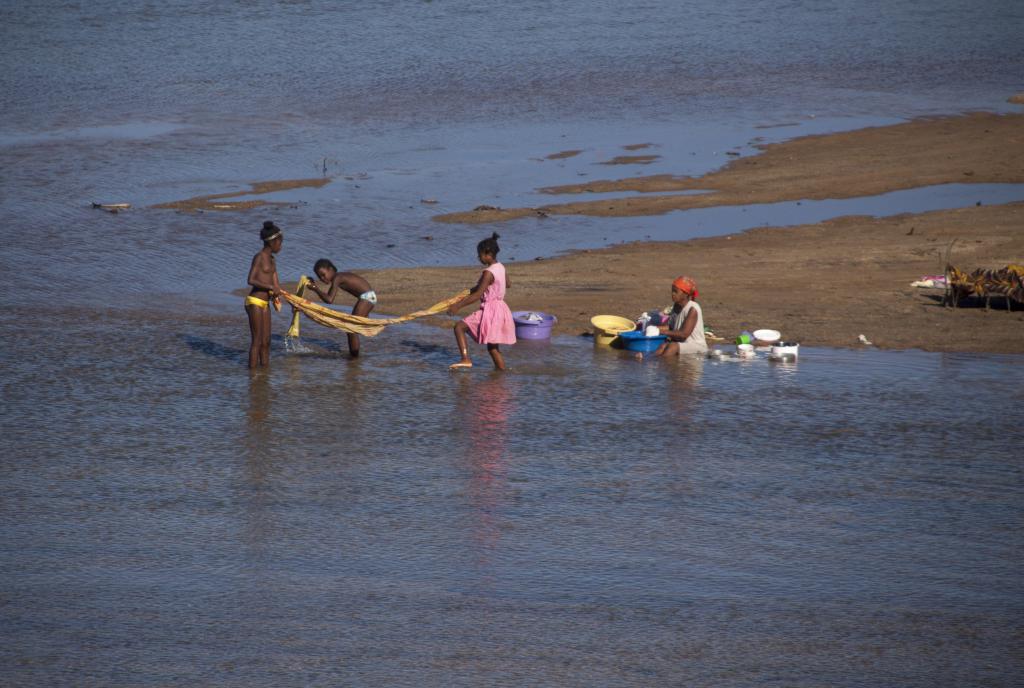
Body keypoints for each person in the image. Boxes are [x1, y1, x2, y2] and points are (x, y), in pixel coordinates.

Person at [447, 232, 516, 370]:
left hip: (491, 310)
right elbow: (508, 284)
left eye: (479, 255)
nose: (478, 258)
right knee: (492, 347)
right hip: (501, 309)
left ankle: (465, 359)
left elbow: (478, 294)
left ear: (487, 253)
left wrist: (457, 306)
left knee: (459, 327)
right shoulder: (501, 267)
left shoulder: (488, 272)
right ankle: (502, 373)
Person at [306, 258, 376, 357]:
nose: (322, 278)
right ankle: (355, 355)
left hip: (367, 298)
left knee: (350, 329)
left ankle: (354, 359)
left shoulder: (337, 278)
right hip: (367, 297)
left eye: (323, 274)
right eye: (319, 277)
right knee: (353, 328)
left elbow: (330, 300)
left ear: (331, 270)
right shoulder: (338, 277)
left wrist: (315, 289)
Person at [245, 221, 284, 369]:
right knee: (257, 341)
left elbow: (276, 284)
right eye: (279, 243)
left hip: (265, 304)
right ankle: (253, 376)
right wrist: (270, 287)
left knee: (266, 341)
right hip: (254, 301)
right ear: (272, 242)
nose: (280, 246)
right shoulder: (259, 257)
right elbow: (251, 280)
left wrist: (277, 296)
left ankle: (264, 374)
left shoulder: (273, 261)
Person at [654, 275, 707, 357]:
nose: (672, 294)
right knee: (663, 346)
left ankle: (665, 366)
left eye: (675, 291)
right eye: (672, 291)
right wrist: (653, 329)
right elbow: (670, 327)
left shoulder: (693, 309)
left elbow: (683, 335)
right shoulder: (676, 306)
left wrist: (660, 332)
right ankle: (652, 363)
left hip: (697, 346)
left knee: (672, 347)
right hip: (683, 344)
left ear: (685, 294)